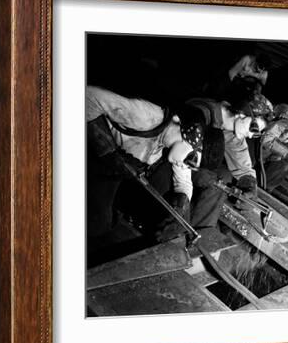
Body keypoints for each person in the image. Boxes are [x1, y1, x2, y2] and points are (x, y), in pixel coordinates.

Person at [85, 85, 203, 243]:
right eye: (189, 158)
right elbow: (87, 96)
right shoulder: (147, 117)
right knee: (96, 225)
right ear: (184, 135)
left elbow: (183, 179)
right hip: (93, 157)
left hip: (119, 172)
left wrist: (182, 202)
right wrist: (107, 149)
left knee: (106, 223)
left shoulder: (178, 148)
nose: (185, 164)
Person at [154, 95, 268, 242]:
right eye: (253, 128)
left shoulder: (229, 125)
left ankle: (199, 235)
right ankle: (177, 228)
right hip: (166, 160)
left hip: (187, 164)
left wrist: (249, 184)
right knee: (212, 182)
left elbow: (240, 156)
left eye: (256, 133)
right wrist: (184, 197)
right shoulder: (201, 114)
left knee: (223, 179)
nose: (252, 136)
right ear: (241, 113)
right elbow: (179, 157)